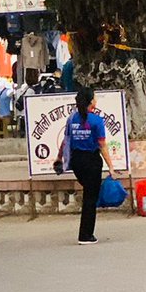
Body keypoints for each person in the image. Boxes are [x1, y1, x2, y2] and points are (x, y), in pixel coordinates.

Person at [56, 87, 117, 245]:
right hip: (92, 162)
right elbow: (102, 145)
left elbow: (66, 141)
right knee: (90, 198)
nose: (96, 100)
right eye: (95, 98)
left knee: (89, 195)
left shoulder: (72, 119)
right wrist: (111, 166)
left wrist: (59, 158)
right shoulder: (97, 121)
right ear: (91, 102)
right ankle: (85, 235)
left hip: (77, 162)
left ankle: (86, 232)